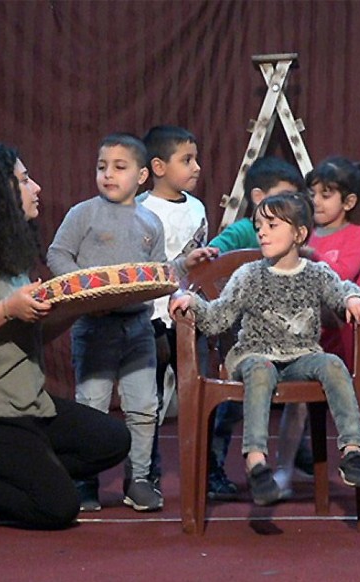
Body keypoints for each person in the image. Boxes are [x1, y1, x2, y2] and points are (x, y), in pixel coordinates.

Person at [0, 143, 131, 530]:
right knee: (57, 507)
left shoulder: (10, 258)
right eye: (24, 180)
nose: (36, 187)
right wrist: (7, 309)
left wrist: (81, 305)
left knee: (112, 440)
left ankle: (28, 470)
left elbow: (30, 331)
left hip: (27, 406)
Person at [169, 191, 360, 506]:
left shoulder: (315, 273)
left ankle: (352, 451)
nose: (262, 231)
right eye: (259, 224)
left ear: (299, 234)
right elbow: (218, 318)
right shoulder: (249, 275)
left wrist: (353, 298)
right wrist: (193, 302)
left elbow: (341, 288)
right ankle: (256, 460)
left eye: (272, 225)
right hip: (255, 354)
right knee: (261, 370)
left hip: (299, 357)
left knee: (331, 363)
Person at [46, 133, 215, 513]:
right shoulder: (83, 213)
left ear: (141, 176)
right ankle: (85, 481)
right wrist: (84, 292)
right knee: (92, 406)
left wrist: (180, 277)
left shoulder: (149, 221)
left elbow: (157, 274)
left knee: (144, 407)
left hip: (138, 329)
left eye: (119, 168)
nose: (108, 174)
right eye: (102, 167)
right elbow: (58, 254)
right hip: (93, 328)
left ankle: (139, 479)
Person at [273, 155, 360, 501]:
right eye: (313, 193)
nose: (316, 201)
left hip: (349, 335)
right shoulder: (305, 235)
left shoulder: (358, 235)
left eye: (326, 194)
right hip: (310, 336)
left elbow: (343, 274)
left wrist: (308, 255)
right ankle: (282, 471)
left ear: (348, 202)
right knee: (297, 406)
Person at [204, 156, 309, 500]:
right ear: (259, 198)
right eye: (284, 198)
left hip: (285, 341)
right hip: (242, 341)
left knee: (305, 381)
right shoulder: (244, 231)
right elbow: (215, 256)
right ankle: (214, 468)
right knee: (230, 408)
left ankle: (296, 455)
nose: (291, 206)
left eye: (296, 200)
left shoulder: (293, 234)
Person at [135, 125, 211, 502]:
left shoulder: (197, 208)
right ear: (159, 167)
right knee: (148, 400)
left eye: (196, 159)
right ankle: (145, 472)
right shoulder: (141, 210)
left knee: (201, 393)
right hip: (151, 318)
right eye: (187, 160)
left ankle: (208, 471)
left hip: (190, 315)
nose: (197, 167)